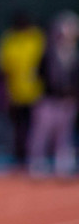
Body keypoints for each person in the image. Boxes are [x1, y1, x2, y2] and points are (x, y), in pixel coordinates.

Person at [29, 11, 79, 177]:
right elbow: (38, 74)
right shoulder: (48, 53)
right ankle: (37, 164)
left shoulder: (74, 55)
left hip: (67, 101)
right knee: (41, 134)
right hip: (48, 99)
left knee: (64, 136)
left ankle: (62, 166)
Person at [0, 13, 45, 169]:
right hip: (16, 92)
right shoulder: (10, 39)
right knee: (18, 127)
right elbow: (5, 68)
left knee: (35, 128)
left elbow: (45, 65)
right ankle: (19, 157)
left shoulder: (37, 39)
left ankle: (34, 158)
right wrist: (6, 91)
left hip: (36, 92)